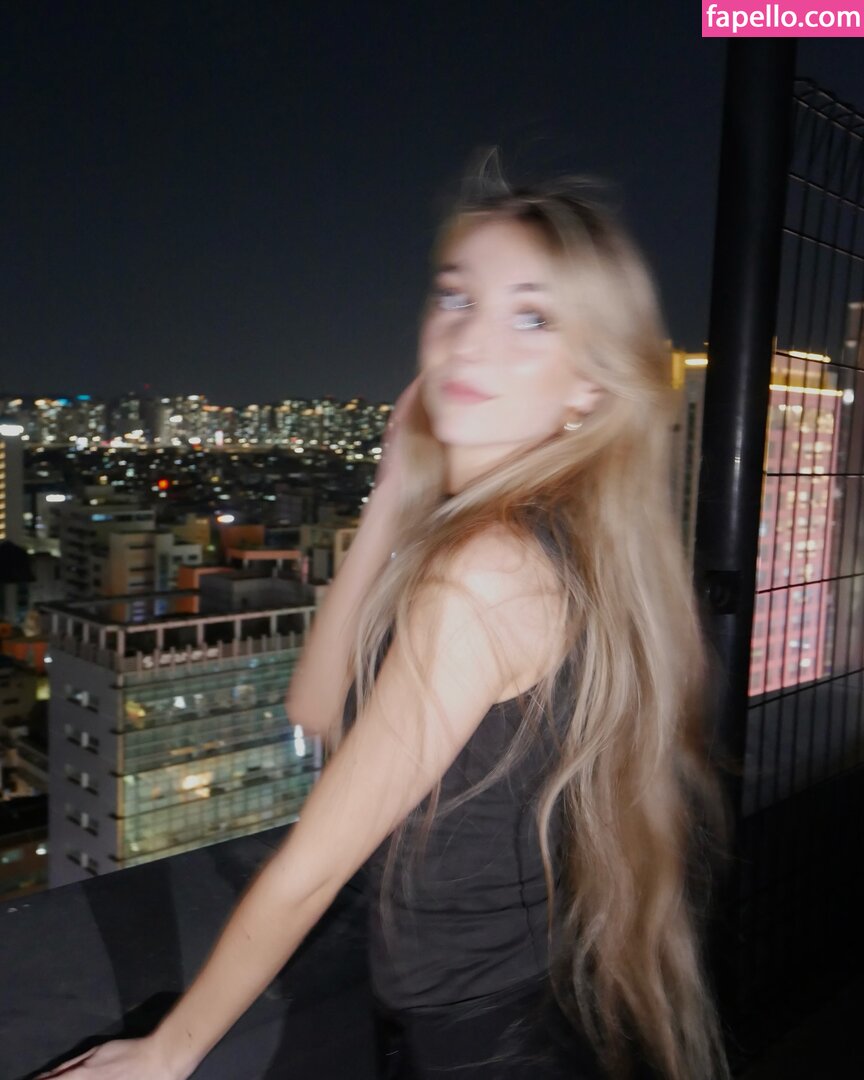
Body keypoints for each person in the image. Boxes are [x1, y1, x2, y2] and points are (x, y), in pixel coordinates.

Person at [40, 160, 729, 1080]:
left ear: (589, 389)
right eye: (457, 298)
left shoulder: (492, 569)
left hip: (482, 1043)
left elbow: (314, 867)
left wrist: (168, 1053)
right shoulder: (535, 536)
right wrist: (396, 486)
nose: (470, 339)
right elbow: (320, 708)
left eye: (531, 317)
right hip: (501, 1008)